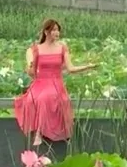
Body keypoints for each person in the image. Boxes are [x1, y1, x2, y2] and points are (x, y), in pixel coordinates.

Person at [13, 19, 96, 153]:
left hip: (56, 82)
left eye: (58, 30)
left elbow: (70, 68)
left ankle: (41, 132)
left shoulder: (62, 48)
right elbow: (31, 73)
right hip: (40, 82)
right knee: (30, 100)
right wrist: (30, 66)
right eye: (53, 30)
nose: (57, 33)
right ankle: (37, 130)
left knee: (46, 98)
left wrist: (87, 67)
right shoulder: (34, 49)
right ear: (46, 32)